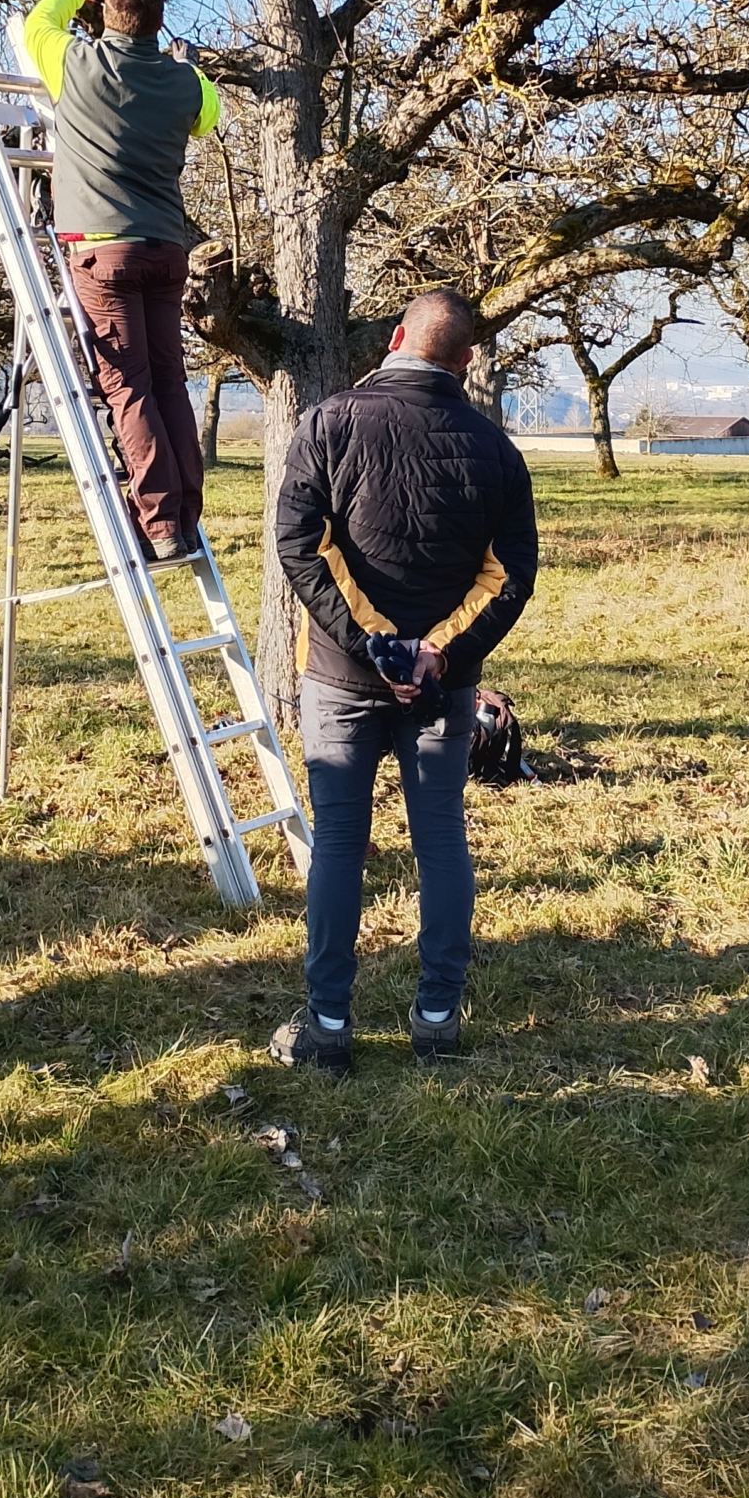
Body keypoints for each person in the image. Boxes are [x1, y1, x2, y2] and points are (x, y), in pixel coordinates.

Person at [268, 287, 538, 1072]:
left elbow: (300, 543)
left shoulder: (329, 422)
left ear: (394, 339)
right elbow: (510, 576)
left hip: (342, 676)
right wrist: (438, 655)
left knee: (341, 845)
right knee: (441, 841)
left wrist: (373, 642)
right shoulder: (497, 450)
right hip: (443, 687)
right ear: (466, 360)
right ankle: (436, 1019)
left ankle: (327, 1026)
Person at [21, 0, 220, 562]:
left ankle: (158, 523)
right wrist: (187, 63)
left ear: (107, 11)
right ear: (160, 20)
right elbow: (206, 114)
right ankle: (184, 515)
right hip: (166, 250)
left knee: (127, 388)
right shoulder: (188, 85)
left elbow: (38, 22)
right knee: (167, 384)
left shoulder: (76, 65)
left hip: (103, 251)